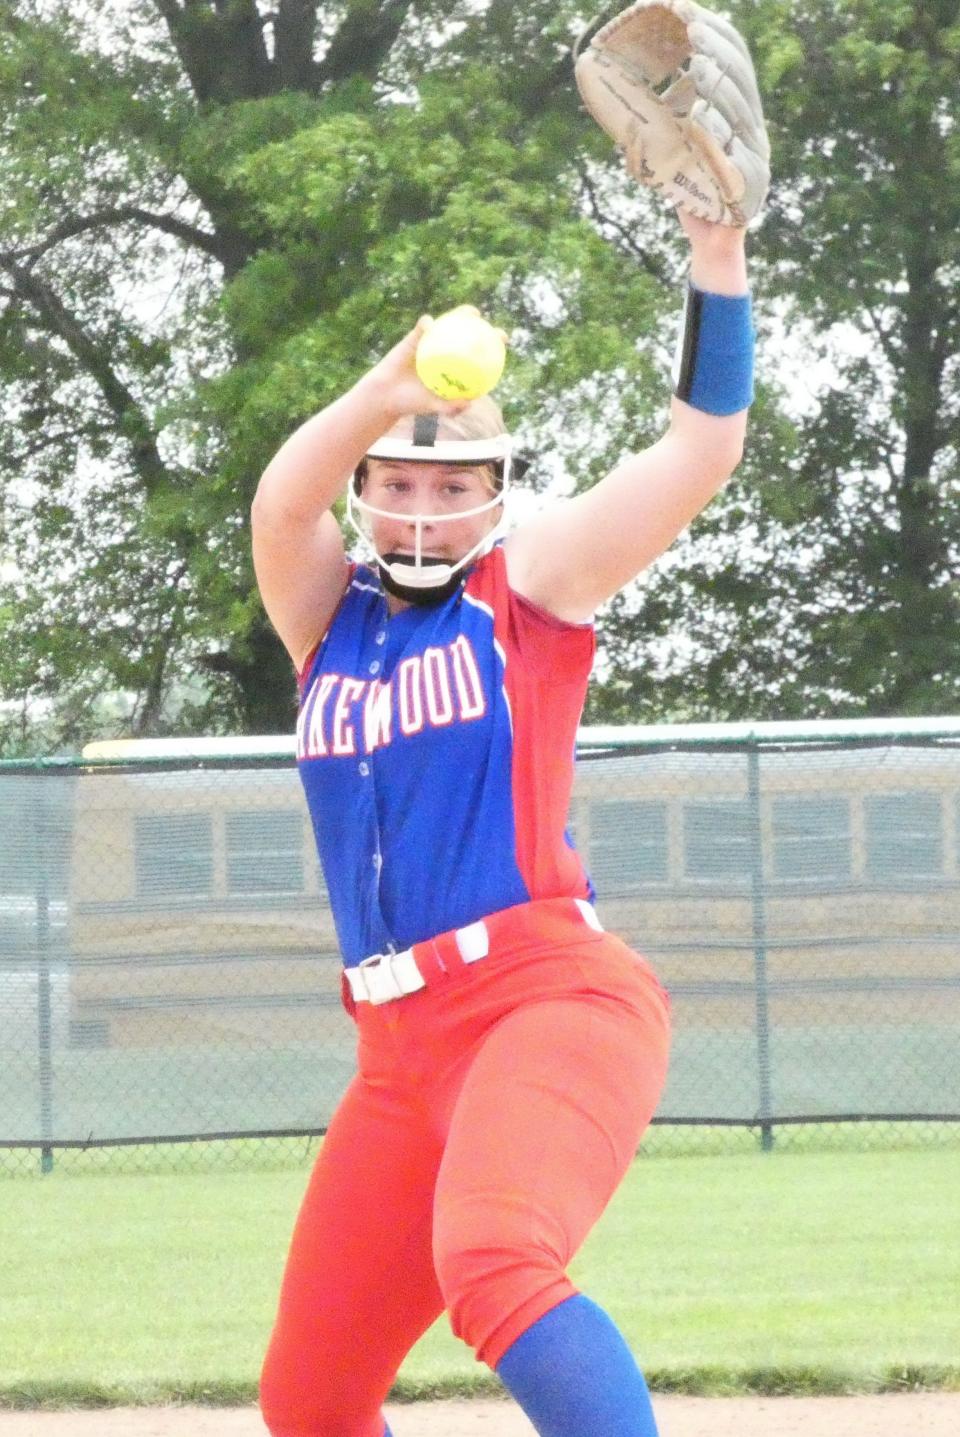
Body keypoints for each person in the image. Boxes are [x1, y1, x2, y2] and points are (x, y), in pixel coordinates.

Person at [251, 5, 761, 1419]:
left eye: (451, 479)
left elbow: (701, 449)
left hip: (547, 999)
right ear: (370, 495)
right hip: (395, 1051)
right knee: (308, 1399)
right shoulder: (326, 618)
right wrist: (390, 389)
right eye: (399, 483)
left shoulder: (528, 586)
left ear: (494, 494)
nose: (422, 502)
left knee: (493, 1257)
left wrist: (717, 262)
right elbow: (281, 500)